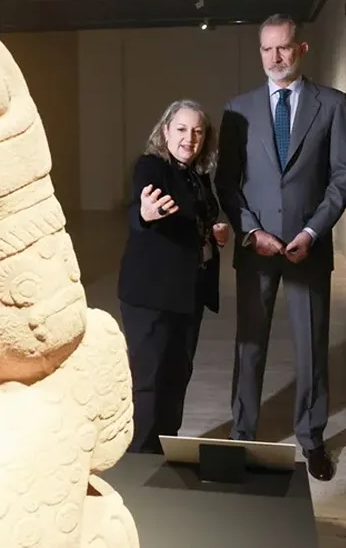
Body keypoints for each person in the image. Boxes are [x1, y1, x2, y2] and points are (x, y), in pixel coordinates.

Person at [215, 14, 346, 481]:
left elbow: (343, 177)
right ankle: (242, 433)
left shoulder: (332, 104)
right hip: (256, 248)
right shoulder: (238, 108)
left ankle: (312, 438)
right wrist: (253, 232)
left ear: (301, 49)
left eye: (283, 48)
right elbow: (227, 182)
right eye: (266, 49)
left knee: (311, 346)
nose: (274, 57)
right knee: (249, 345)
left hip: (306, 247)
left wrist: (313, 232)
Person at [117, 99, 228, 454]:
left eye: (197, 131)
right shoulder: (151, 166)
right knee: (149, 381)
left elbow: (198, 222)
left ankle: (166, 447)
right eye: (181, 129)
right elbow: (140, 207)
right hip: (151, 294)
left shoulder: (198, 174)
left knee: (178, 374)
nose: (189, 138)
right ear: (165, 131)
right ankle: (140, 457)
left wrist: (215, 232)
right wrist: (145, 214)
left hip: (188, 292)